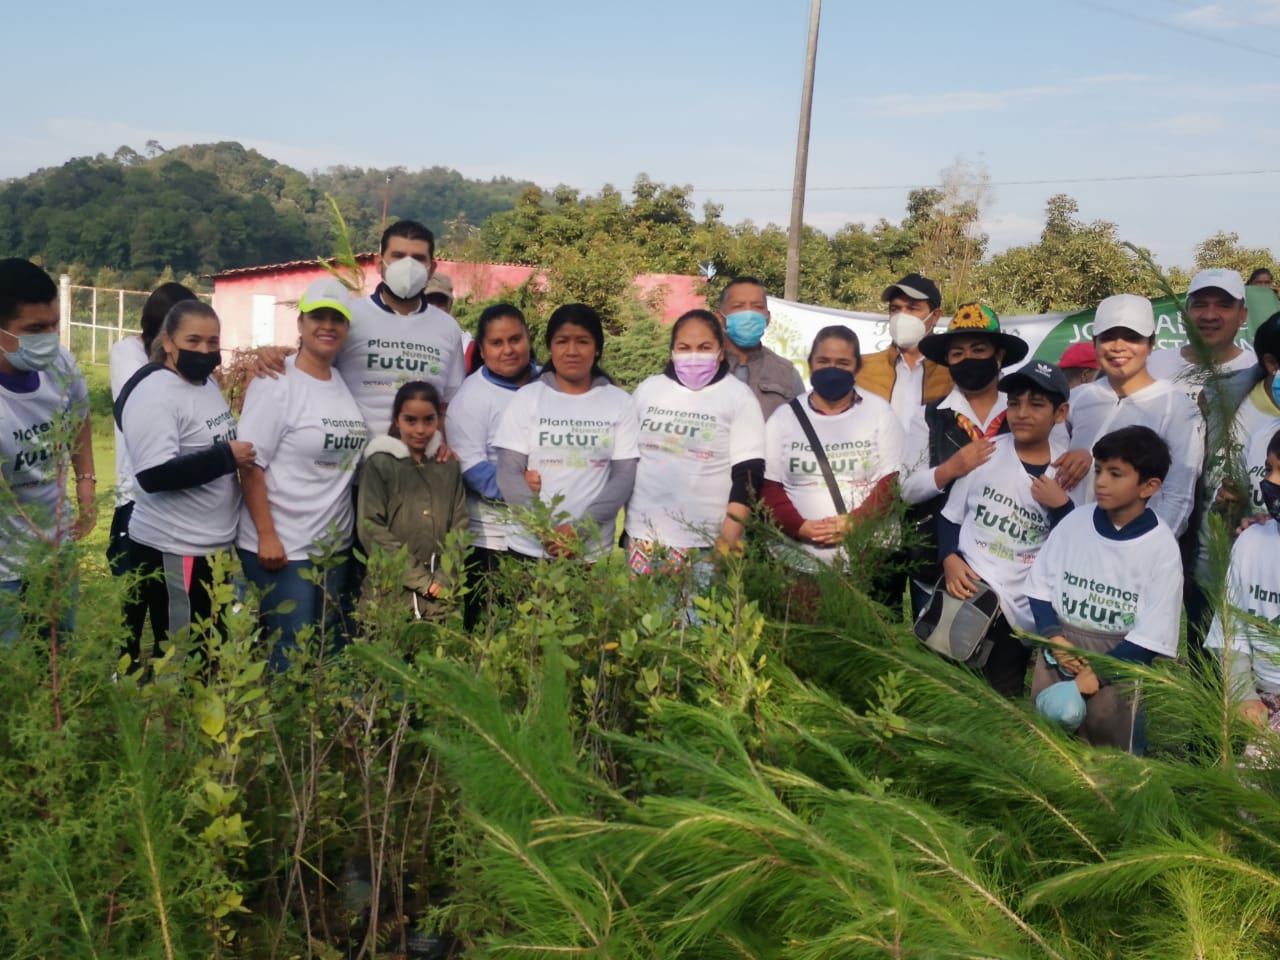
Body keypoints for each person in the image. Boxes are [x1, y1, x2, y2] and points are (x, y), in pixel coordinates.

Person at [235, 279, 369, 671]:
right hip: (284, 548)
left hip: (332, 547)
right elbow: (250, 466)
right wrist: (266, 535)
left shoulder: (340, 380)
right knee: (289, 654)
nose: (327, 326)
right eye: (317, 317)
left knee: (326, 653)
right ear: (301, 323)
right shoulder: (276, 381)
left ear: (346, 328)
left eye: (336, 319)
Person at [1026, 426, 1182, 753]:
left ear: (1149, 486)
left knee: (1108, 758)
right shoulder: (1074, 523)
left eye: (1115, 474)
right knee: (1047, 748)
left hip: (1116, 664)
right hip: (1059, 652)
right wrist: (1054, 637)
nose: (1101, 482)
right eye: (1098, 471)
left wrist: (1097, 672)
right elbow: (1040, 588)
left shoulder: (1160, 548)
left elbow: (1152, 635)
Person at [118, 301, 255, 664]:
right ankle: (171, 702)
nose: (204, 351)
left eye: (213, 342)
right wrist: (225, 456)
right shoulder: (157, 392)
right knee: (181, 658)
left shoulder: (204, 383)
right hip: (177, 547)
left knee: (208, 650)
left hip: (211, 547)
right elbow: (154, 474)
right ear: (168, 341)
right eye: (193, 340)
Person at [937, 361, 1073, 696]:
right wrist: (949, 558)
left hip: (1021, 607)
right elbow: (951, 516)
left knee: (1002, 693)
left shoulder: (1068, 470)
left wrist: (1061, 507)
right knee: (946, 684)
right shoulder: (986, 452)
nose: (1022, 413)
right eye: (1014, 403)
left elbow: (1074, 544)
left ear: (1060, 413)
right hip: (969, 590)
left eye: (1036, 404)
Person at [900, 303, 1028, 614]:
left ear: (998, 355)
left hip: (1012, 572)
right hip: (938, 566)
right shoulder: (930, 416)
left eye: (978, 349)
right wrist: (949, 469)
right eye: (957, 354)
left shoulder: (1023, 413)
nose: (967, 358)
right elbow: (905, 489)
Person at [494, 303, 640, 561]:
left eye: (582, 341)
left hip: (590, 551)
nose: (572, 351)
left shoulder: (620, 403)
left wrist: (579, 531)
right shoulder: (527, 398)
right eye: (562, 341)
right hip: (529, 546)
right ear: (550, 347)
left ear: (597, 349)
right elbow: (508, 472)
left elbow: (623, 478)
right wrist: (543, 529)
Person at [0, 258, 95, 645]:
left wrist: (86, 484)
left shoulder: (59, 364)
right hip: (3, 567)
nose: (50, 339)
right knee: (12, 667)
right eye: (35, 330)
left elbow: (80, 417)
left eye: (54, 325)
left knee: (58, 654)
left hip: (57, 548)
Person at [627, 309, 765, 572]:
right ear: (672, 351)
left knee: (703, 602)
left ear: (721, 351)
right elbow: (627, 458)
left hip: (708, 543)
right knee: (644, 601)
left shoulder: (738, 397)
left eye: (704, 347)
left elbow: (749, 474)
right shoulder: (648, 390)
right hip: (645, 538)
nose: (693, 355)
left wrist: (728, 539)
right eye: (684, 347)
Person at [1056, 294, 1204, 538]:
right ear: (1095, 343)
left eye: (1132, 337)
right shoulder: (1077, 398)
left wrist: (1147, 547)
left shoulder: (1178, 408)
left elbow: (1179, 496)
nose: (1118, 346)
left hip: (1132, 545)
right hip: (1069, 537)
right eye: (1108, 337)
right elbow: (1048, 461)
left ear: (1151, 343)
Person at [761, 325, 903, 571]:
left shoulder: (879, 412)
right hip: (797, 559)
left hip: (866, 559)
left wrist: (856, 522)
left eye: (843, 363)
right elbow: (769, 485)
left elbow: (892, 481)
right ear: (810, 364)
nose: (832, 369)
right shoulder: (784, 418)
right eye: (823, 361)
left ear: (857, 367)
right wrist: (797, 526)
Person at [109, 281, 198, 664]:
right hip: (135, 497)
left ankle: (167, 670)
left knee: (170, 597)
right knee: (132, 595)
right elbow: (152, 400)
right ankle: (127, 667)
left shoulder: (192, 366)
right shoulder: (127, 354)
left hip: (179, 502)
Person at [448, 303, 539, 630]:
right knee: (489, 631)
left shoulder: (551, 384)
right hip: (492, 538)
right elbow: (471, 469)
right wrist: (521, 486)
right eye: (497, 343)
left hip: (547, 533)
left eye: (515, 339)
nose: (508, 350)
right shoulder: (470, 397)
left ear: (528, 339)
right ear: (483, 350)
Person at [334, 221, 467, 436]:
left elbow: (448, 405)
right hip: (355, 453)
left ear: (432, 269)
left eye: (418, 258)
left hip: (421, 455)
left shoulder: (448, 327)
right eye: (398, 256)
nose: (408, 266)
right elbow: (312, 367)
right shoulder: (349, 316)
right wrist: (277, 356)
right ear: (379, 263)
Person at [356, 381, 467, 621]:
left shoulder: (447, 466)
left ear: (439, 419)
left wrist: (444, 578)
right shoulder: (380, 464)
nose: (420, 429)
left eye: (428, 420)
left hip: (440, 597)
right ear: (397, 420)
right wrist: (421, 580)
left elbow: (460, 526)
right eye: (410, 420)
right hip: (389, 593)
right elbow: (371, 528)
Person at [1206, 429, 1280, 738]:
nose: (1271, 481)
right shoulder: (1251, 542)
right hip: (1261, 703)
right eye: (1269, 469)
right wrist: (1245, 694)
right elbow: (1229, 633)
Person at [858, 273, 953, 428]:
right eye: (895, 309)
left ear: (935, 316)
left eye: (912, 308)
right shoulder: (864, 368)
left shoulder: (952, 372)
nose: (902, 315)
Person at [1147, 268, 1254, 402]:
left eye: (1224, 306)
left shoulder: (1259, 372)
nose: (1209, 316)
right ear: (1185, 313)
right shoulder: (1150, 366)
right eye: (1199, 305)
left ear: (1242, 316)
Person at [716, 276, 805, 420]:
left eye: (757, 307)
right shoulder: (705, 367)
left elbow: (800, 426)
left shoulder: (787, 374)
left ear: (768, 318)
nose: (749, 314)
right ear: (721, 318)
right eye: (738, 306)